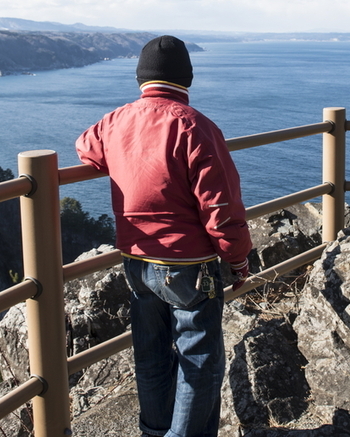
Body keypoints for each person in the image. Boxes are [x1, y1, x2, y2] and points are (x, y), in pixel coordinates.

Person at [75, 35, 252, 437]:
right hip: (188, 266)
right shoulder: (196, 127)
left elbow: (85, 146)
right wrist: (238, 259)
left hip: (136, 261)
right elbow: (222, 211)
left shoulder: (115, 120)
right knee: (200, 360)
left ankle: (155, 432)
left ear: (141, 78)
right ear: (186, 78)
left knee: (151, 356)